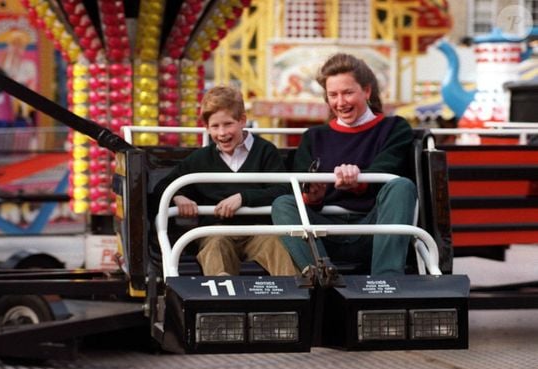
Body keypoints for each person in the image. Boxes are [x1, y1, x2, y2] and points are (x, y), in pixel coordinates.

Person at [271, 53, 417, 277]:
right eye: (333, 95)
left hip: (374, 230)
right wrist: (313, 197)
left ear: (366, 91)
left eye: (348, 93)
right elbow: (300, 187)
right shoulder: (313, 137)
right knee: (283, 204)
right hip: (324, 233)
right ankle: (320, 276)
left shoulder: (394, 128)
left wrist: (359, 181)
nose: (341, 102)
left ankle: (387, 283)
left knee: (402, 186)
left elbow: (389, 169)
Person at [151, 86, 298, 276]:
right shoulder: (200, 159)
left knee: (278, 246)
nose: (222, 133)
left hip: (259, 230)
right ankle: (221, 298)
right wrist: (178, 197)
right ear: (206, 127)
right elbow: (162, 187)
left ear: (242, 120)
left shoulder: (265, 151)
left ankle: (292, 298)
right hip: (217, 230)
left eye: (228, 124)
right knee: (215, 246)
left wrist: (243, 198)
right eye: (215, 126)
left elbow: (283, 189)